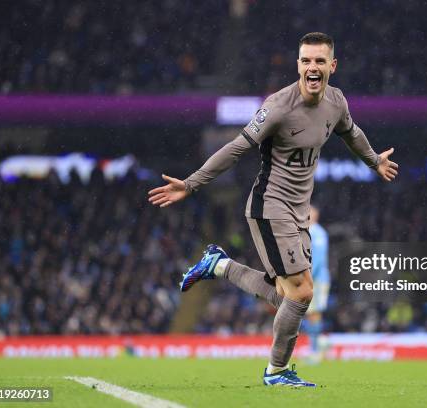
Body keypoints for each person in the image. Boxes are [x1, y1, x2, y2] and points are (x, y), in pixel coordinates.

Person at [148, 32, 398, 387]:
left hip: (298, 212)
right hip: (270, 206)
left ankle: (218, 265)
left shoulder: (336, 102)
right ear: (298, 65)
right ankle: (276, 371)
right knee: (303, 292)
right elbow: (236, 147)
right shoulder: (278, 106)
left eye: (320, 61)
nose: (313, 67)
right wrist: (191, 183)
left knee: (287, 294)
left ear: (332, 66)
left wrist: (374, 161)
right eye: (306, 61)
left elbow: (352, 132)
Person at [304, 205, 330, 363]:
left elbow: (318, 260)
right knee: (310, 314)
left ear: (315, 215)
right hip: (311, 279)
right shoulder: (306, 231)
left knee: (314, 313)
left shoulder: (318, 233)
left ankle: (316, 350)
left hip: (317, 280)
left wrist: (307, 277)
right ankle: (319, 345)